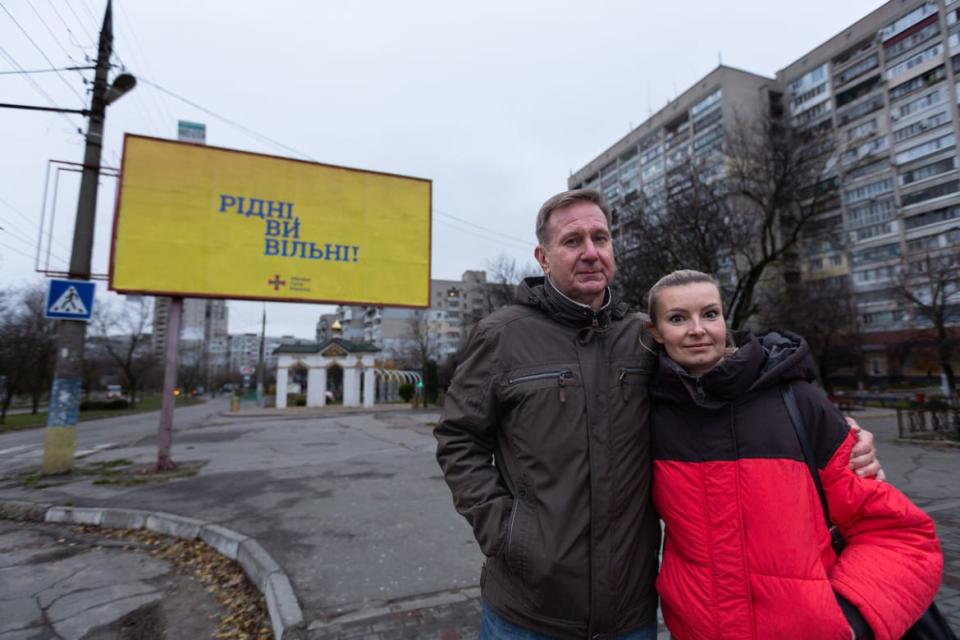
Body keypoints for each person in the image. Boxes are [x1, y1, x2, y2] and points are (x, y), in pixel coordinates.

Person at [434, 189, 881, 639]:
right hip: (527, 611)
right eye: (572, 242)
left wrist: (835, 428)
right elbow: (459, 439)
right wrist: (507, 533)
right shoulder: (501, 336)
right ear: (543, 257)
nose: (591, 253)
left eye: (601, 238)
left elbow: (736, 374)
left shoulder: (645, 337)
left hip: (629, 612)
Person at [645, 269, 943, 640]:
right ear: (655, 332)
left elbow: (897, 532)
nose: (698, 329)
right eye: (677, 318)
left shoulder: (796, 401)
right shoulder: (648, 416)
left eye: (710, 314)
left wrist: (849, 619)